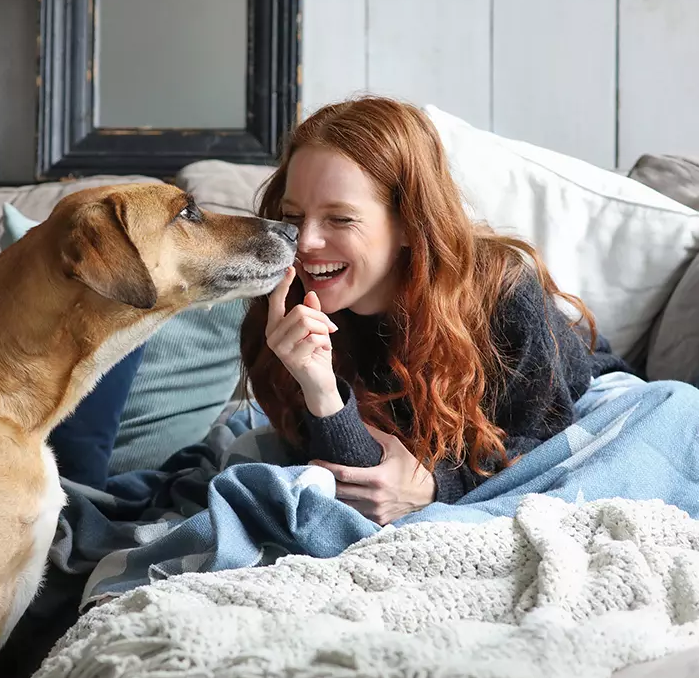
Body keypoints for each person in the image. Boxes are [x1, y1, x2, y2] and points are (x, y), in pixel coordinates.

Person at [240, 96, 631, 526]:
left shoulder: (501, 293)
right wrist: (322, 390)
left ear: (408, 223)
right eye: (294, 216)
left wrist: (435, 487)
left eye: (340, 219)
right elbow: (358, 490)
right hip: (454, 447)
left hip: (568, 394)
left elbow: (542, 451)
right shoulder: (281, 309)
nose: (307, 241)